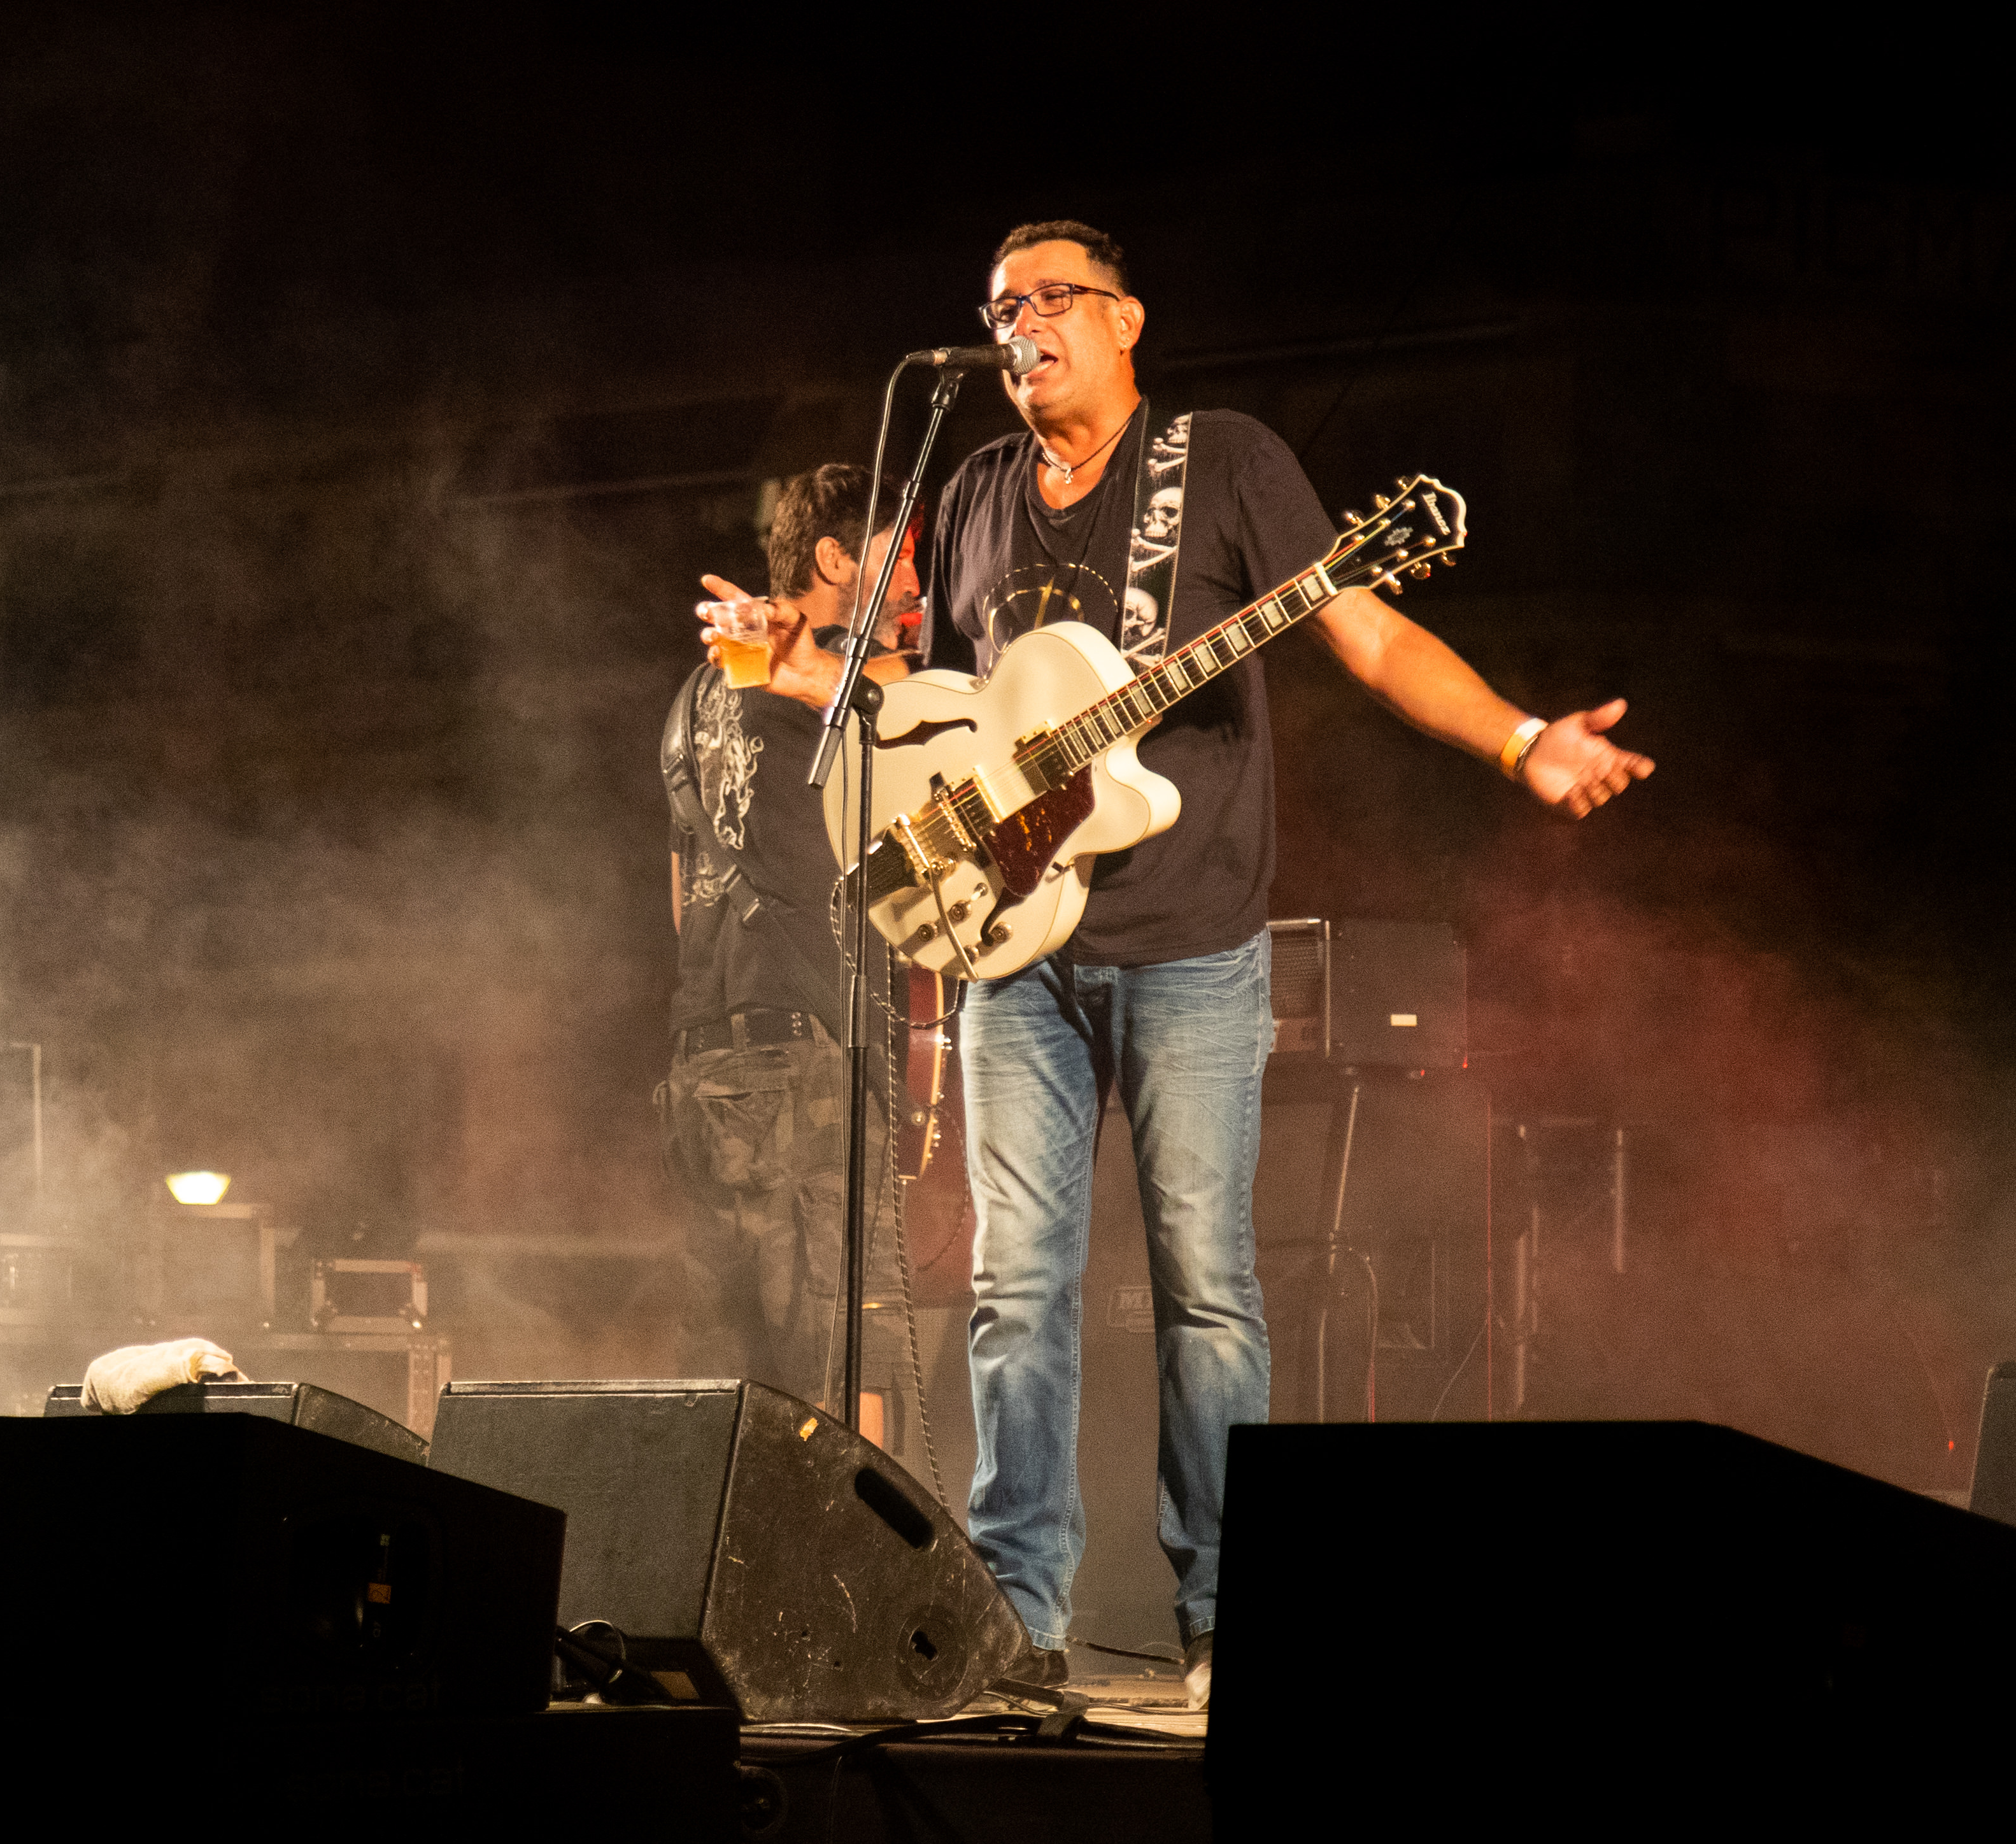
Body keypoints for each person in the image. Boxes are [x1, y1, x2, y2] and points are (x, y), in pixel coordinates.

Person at [700, 220, 1652, 1705]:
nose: (1021, 327)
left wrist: (1521, 738)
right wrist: (805, 662)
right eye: (1000, 308)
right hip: (1014, 946)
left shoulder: (1223, 464)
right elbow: (940, 701)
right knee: (1016, 1290)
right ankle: (1017, 1617)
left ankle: (1222, 1619)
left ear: (1126, 318)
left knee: (1207, 1289)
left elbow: (1365, 633)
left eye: (1052, 299)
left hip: (1192, 941)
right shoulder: (973, 487)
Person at [659, 464, 921, 1413]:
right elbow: (946, 695)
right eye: (900, 556)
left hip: (702, 1073)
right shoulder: (843, 679)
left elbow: (684, 899)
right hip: (803, 1068)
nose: (916, 584)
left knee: (741, 1398)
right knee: (850, 1377)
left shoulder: (694, 696)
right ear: (835, 559)